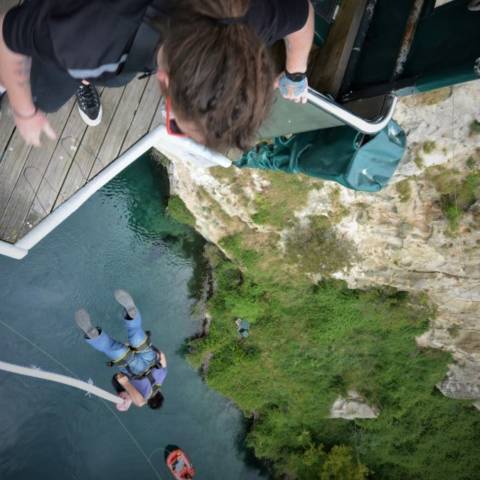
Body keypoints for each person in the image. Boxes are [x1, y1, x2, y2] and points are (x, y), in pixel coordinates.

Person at [0, 0, 314, 150]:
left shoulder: (250, 16)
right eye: (175, 122)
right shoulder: (86, 40)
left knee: (111, 72)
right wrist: (24, 112)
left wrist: (296, 74)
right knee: (43, 96)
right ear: (165, 81)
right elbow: (6, 34)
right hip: (86, 38)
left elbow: (302, 14)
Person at [75, 289, 167, 411]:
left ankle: (131, 314)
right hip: (134, 370)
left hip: (150, 359)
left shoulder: (163, 375)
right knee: (110, 347)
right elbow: (140, 402)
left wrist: (144, 346)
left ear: (161, 393)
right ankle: (92, 334)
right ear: (149, 402)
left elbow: (162, 355)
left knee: (136, 335)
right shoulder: (143, 398)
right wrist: (125, 384)